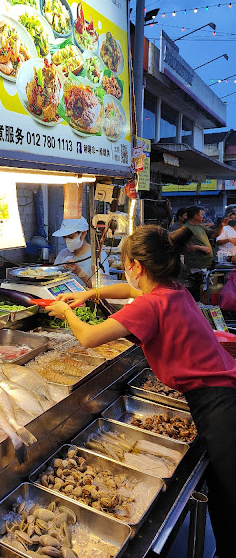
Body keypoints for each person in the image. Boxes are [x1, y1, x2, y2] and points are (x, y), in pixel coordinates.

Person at [47, 225, 236, 558]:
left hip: (220, 406)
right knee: (223, 493)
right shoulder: (172, 290)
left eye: (124, 264)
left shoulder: (149, 306)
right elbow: (131, 292)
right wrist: (91, 294)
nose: (124, 271)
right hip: (224, 394)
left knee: (231, 497)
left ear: (136, 266)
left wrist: (66, 312)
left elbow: (89, 337)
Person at [52, 218, 108, 288]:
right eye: (64, 237)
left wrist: (80, 273)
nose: (67, 240)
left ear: (83, 234)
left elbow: (101, 289)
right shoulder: (63, 254)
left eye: (71, 237)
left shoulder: (99, 255)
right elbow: (52, 280)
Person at [183, 206, 214, 270]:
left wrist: (222, 225)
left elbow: (214, 234)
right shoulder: (185, 229)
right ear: (196, 216)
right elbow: (184, 246)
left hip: (206, 264)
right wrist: (199, 247)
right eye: (201, 214)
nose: (202, 217)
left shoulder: (200, 227)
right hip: (195, 266)